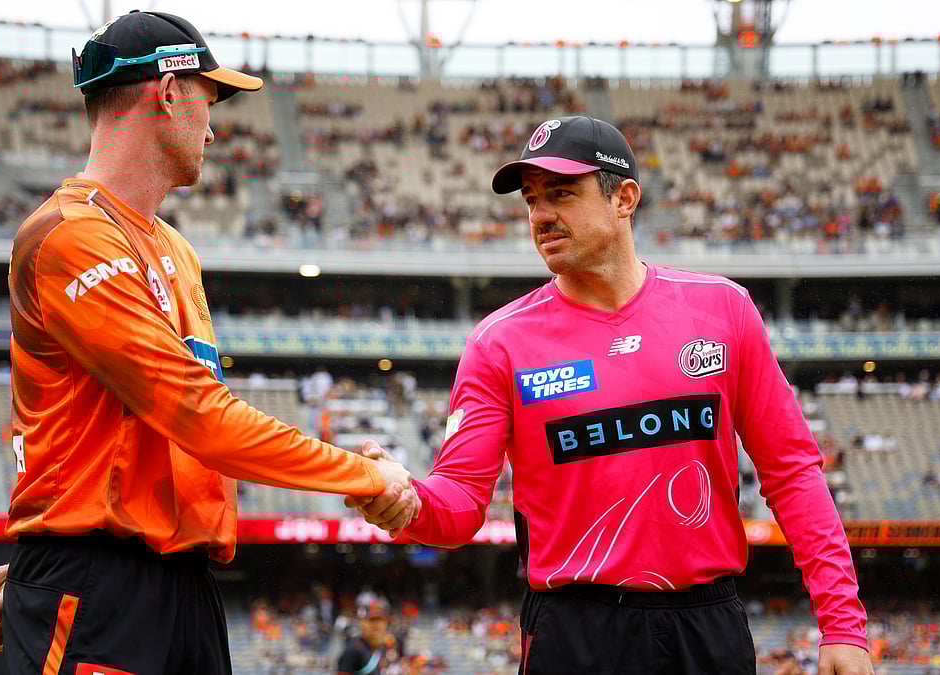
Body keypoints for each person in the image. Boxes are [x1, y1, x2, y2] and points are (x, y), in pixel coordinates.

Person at [0, 11, 418, 673]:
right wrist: (366, 473)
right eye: (208, 97)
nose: (215, 124)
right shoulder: (69, 235)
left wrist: (44, 575)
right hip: (100, 583)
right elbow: (197, 414)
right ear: (168, 92)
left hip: (179, 583)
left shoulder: (174, 249)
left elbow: (166, 439)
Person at [351, 116, 873, 674]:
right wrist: (407, 504)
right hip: (574, 632)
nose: (540, 215)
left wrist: (842, 623)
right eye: (531, 199)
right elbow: (457, 506)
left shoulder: (723, 310)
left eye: (561, 194)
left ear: (624, 199)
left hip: (708, 626)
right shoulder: (498, 342)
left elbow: (793, 471)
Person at [337, 599, 392, 675]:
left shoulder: (385, 647)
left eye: (380, 620)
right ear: (363, 624)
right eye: (372, 620)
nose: (377, 625)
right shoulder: (354, 649)